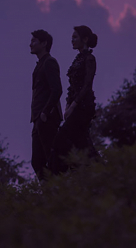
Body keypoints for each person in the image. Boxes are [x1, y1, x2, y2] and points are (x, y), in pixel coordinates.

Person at [50, 25, 100, 174]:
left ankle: (64, 173)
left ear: (84, 39)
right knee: (83, 143)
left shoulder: (90, 59)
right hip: (75, 106)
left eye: (75, 37)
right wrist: (67, 105)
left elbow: (87, 85)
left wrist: (73, 105)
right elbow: (72, 86)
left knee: (61, 139)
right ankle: (100, 172)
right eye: (72, 37)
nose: (72, 40)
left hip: (84, 107)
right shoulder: (78, 58)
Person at [29, 29, 64, 181]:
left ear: (44, 44)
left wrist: (45, 113)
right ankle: (50, 192)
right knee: (37, 161)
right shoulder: (39, 65)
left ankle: (57, 190)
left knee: (51, 157)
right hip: (38, 119)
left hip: (46, 118)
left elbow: (57, 90)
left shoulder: (49, 62)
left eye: (34, 41)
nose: (30, 44)